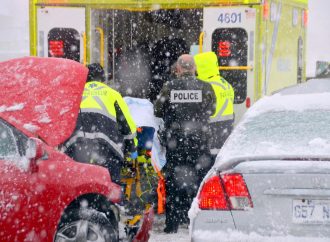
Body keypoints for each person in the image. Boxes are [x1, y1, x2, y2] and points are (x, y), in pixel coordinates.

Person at [154, 54, 216, 233]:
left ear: (179, 69)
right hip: (199, 142)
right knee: (198, 182)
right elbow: (212, 110)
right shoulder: (205, 87)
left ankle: (172, 224)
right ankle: (196, 223)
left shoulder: (169, 87)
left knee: (173, 182)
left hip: (176, 142)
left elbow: (158, 110)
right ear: (194, 68)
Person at [62, 63, 138, 185]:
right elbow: (127, 127)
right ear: (102, 79)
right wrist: (132, 150)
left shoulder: (75, 94)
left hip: (77, 149)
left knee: (79, 188)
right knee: (110, 189)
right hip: (108, 149)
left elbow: (63, 124)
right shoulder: (113, 94)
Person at [194, 52, 235, 161]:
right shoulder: (225, 83)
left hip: (211, 133)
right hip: (226, 131)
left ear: (201, 67)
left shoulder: (205, 87)